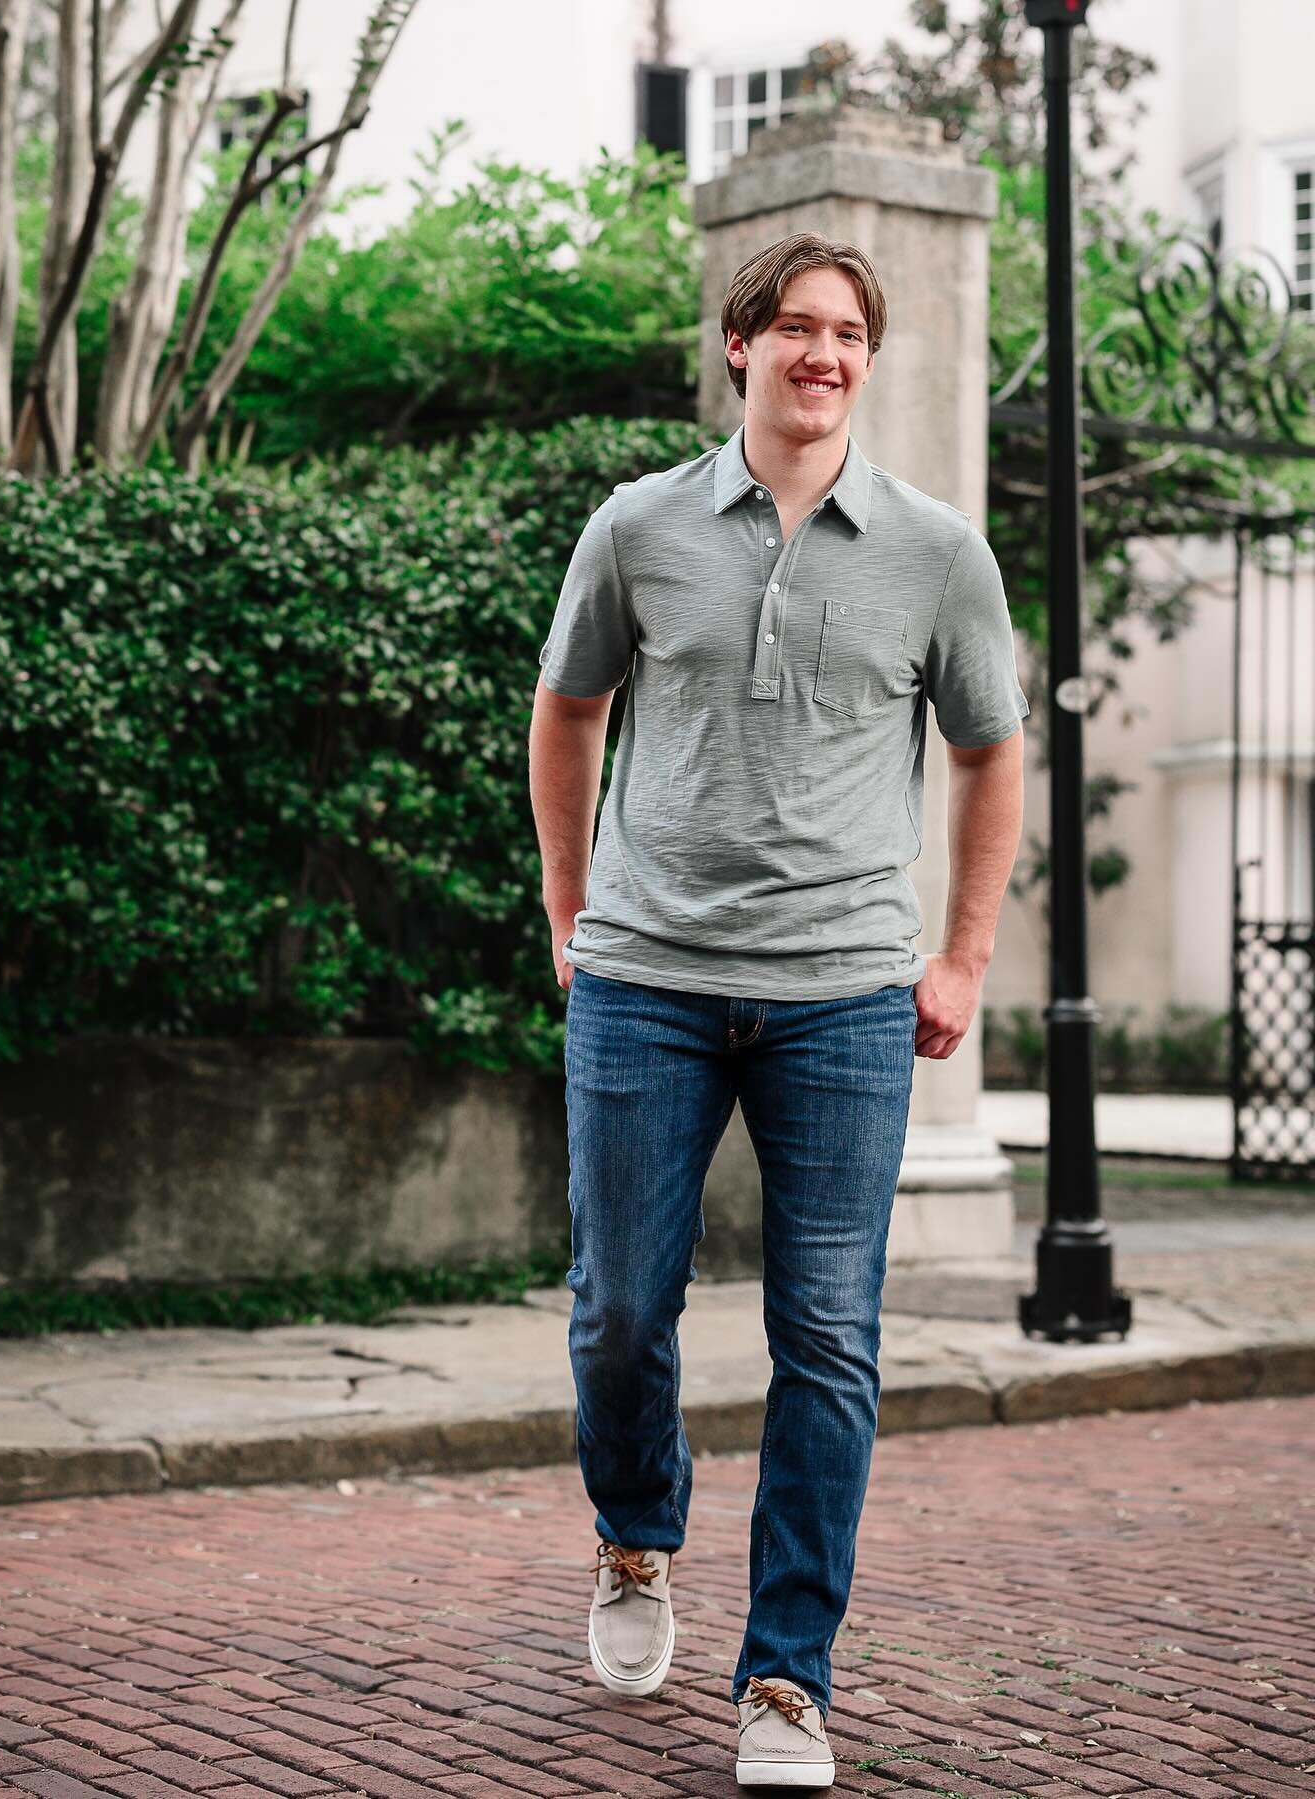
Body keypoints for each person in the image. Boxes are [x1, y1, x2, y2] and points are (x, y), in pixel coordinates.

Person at [527, 232, 1027, 1790]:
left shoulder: (938, 550)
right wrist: (567, 912)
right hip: (648, 978)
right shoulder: (640, 526)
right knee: (620, 1311)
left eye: (849, 333)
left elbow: (991, 749)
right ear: (737, 347)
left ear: (867, 360)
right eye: (795, 329)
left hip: (845, 998)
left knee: (829, 1338)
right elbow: (568, 711)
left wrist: (961, 957)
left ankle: (789, 1679)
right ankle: (633, 1534)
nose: (823, 354)